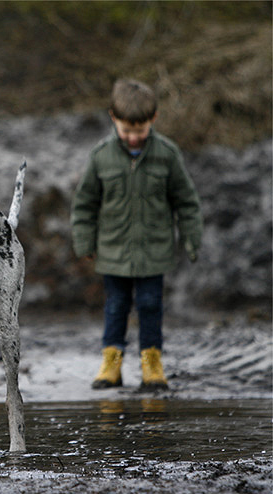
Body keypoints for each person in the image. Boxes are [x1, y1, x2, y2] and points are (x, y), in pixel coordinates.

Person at [70, 78, 202, 391]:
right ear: (113, 118)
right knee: (115, 306)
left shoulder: (167, 154)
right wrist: (84, 241)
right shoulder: (100, 156)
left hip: (154, 252)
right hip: (113, 252)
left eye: (139, 131)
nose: (133, 137)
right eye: (127, 130)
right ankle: (111, 362)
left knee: (151, 305)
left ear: (153, 120)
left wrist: (191, 237)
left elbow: (186, 200)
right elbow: (84, 203)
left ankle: (152, 362)